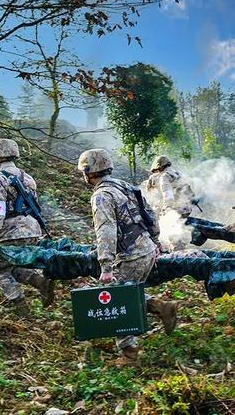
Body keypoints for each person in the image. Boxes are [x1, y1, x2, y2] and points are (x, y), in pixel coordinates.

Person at [78, 148, 178, 366]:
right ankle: (162, 308)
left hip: (131, 255)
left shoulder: (102, 195)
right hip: (146, 248)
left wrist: (105, 266)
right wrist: (156, 240)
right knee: (129, 293)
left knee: (117, 299)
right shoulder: (124, 185)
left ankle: (129, 355)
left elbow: (105, 231)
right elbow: (149, 214)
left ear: (89, 172)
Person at [0, 139, 55, 316]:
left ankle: (20, 307)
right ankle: (40, 282)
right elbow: (35, 206)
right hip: (32, 229)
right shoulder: (28, 178)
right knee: (11, 267)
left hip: (11, 232)